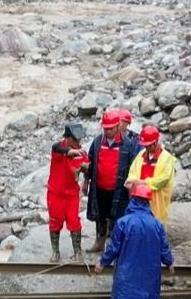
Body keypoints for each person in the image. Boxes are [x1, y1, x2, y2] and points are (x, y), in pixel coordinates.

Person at [93, 182, 174, 299]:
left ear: (133, 198)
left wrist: (102, 263)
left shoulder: (123, 222)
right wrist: (169, 262)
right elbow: (164, 248)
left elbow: (113, 248)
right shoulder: (157, 225)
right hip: (149, 272)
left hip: (127, 271)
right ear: (148, 201)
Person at [84, 108, 139, 254]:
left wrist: (133, 187)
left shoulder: (128, 144)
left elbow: (134, 166)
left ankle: (116, 247)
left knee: (118, 217)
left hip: (119, 190)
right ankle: (99, 242)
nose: (108, 131)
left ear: (118, 126)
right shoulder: (97, 142)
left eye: (111, 128)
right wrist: (86, 181)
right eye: (106, 128)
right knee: (100, 216)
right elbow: (90, 162)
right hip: (100, 187)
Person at [46, 123, 89, 263]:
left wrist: (84, 168)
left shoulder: (80, 152)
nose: (78, 142)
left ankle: (77, 252)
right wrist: (68, 152)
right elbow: (55, 147)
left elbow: (88, 166)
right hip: (56, 192)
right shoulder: (59, 148)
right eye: (76, 139)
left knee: (74, 221)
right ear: (68, 138)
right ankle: (55, 251)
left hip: (71, 194)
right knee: (55, 221)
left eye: (79, 140)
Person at [127, 125, 178, 223]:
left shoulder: (166, 158)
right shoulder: (141, 155)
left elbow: (164, 179)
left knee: (156, 224)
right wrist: (133, 182)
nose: (147, 147)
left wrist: (143, 183)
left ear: (156, 142)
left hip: (157, 202)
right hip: (139, 199)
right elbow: (132, 172)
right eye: (145, 145)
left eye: (149, 145)